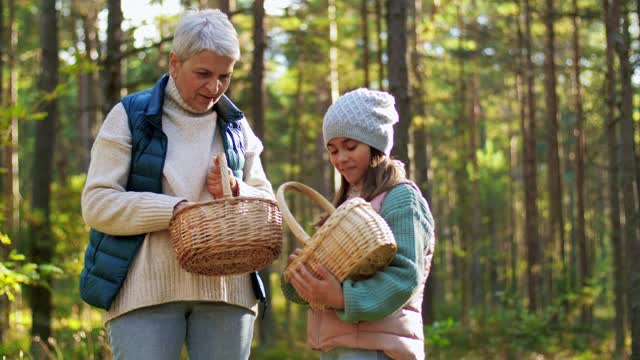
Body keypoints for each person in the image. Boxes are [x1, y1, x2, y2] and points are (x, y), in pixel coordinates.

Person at [80, 9, 274, 360]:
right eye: (203, 73)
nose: (214, 87)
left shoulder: (236, 127)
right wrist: (175, 211)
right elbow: (97, 203)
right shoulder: (129, 116)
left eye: (224, 76)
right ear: (174, 62)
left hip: (227, 294)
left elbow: (268, 204)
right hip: (144, 293)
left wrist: (236, 190)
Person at [281, 88, 435, 360]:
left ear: (375, 144)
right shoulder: (342, 206)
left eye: (350, 147)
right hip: (337, 346)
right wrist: (306, 276)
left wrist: (342, 298)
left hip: (378, 349)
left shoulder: (401, 198)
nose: (340, 158)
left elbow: (405, 275)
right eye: (333, 150)